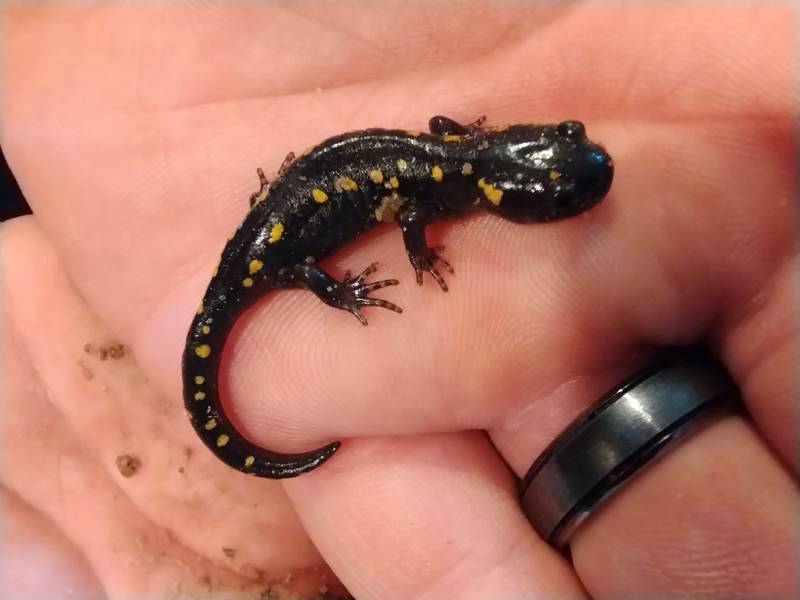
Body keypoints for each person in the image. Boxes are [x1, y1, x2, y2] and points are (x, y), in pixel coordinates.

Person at [1, 3, 794, 598]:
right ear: (505, 192)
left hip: (286, 216)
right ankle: (316, 304)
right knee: (307, 248)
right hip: (279, 258)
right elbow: (412, 215)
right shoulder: (445, 183)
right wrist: (339, 291)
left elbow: (425, 172)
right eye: (555, 195)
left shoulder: (454, 159)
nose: (567, 192)